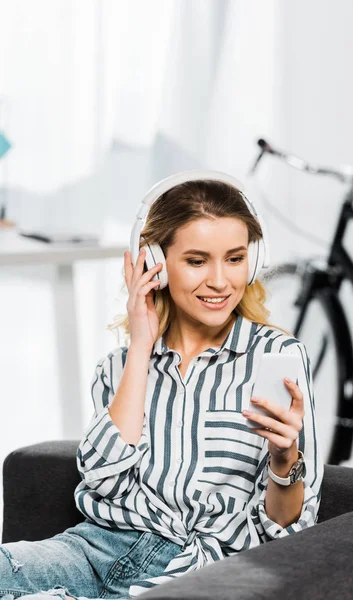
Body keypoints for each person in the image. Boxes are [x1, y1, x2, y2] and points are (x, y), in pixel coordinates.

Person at [0, 171, 323, 600]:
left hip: (198, 569)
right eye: (196, 260)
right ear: (155, 262)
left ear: (254, 260)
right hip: (97, 547)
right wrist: (140, 346)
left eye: (234, 258)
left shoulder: (278, 356)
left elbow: (289, 532)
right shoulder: (118, 367)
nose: (220, 281)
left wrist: (284, 460)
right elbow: (102, 480)